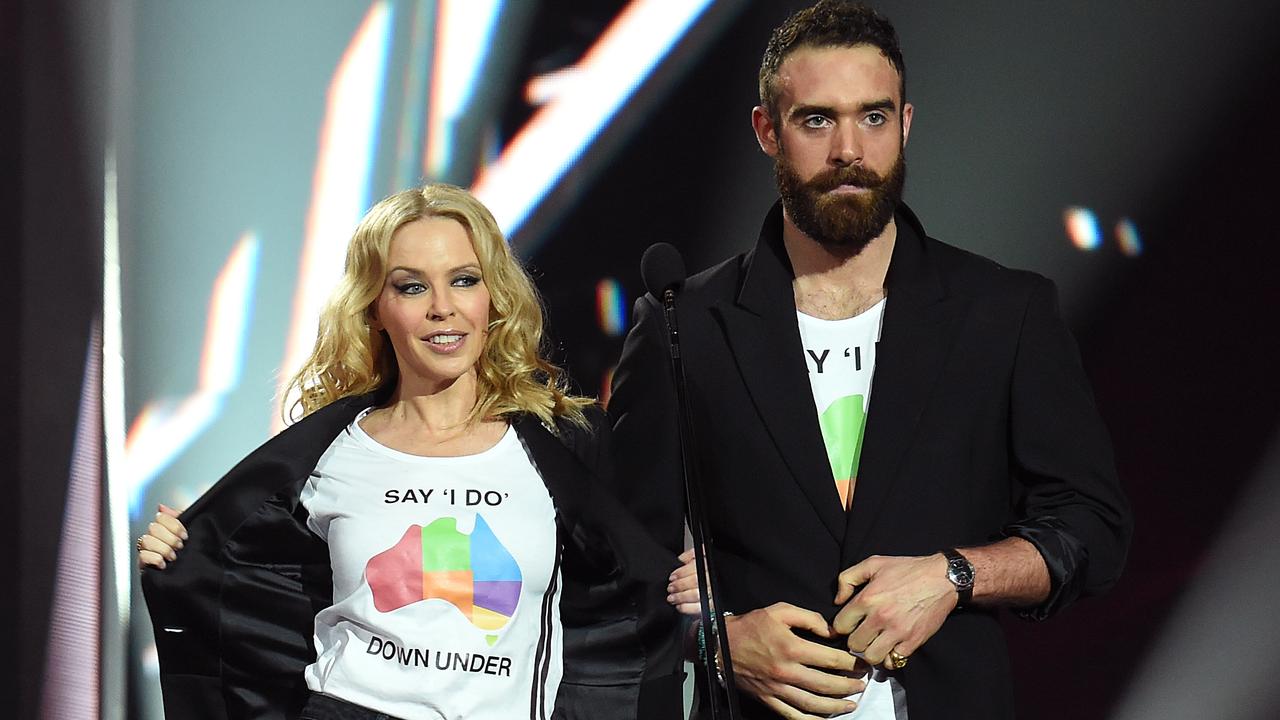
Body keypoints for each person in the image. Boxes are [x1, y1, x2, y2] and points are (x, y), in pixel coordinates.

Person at [611, 2, 1133, 719]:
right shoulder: (686, 325)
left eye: (874, 117)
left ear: (907, 124)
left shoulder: (1002, 313)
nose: (849, 149)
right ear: (768, 131)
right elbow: (615, 569)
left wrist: (955, 575)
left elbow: (1092, 530)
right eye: (817, 119)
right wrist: (717, 642)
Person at [137, 184, 684, 720]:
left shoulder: (563, 445)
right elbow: (247, 598)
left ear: (492, 297)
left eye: (463, 280)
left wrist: (685, 595)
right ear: (375, 307)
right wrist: (183, 552)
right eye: (411, 287)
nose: (442, 308)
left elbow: (623, 594)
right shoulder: (326, 455)